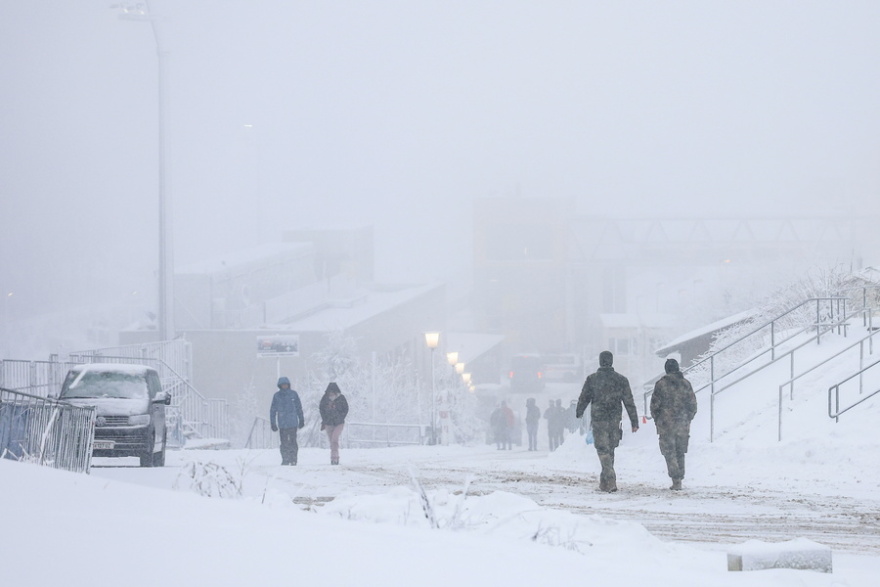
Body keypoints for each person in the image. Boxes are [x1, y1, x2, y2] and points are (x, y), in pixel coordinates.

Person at [575, 351, 639, 492]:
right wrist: (634, 421)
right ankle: (605, 482)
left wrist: (579, 411)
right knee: (610, 449)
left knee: (602, 450)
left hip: (599, 419)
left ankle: (610, 479)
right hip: (615, 419)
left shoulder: (592, 379)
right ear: (611, 361)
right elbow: (629, 402)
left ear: (600, 361)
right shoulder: (621, 380)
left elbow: (584, 397)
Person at [650, 358, 698, 491]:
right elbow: (693, 405)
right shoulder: (686, 384)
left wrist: (658, 419)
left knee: (669, 452)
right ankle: (679, 478)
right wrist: (687, 418)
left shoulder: (661, 385)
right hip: (682, 424)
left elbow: (654, 405)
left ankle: (675, 478)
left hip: (666, 425)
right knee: (680, 451)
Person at [269, 376, 305, 466]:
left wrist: (301, 419)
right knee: (284, 442)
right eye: (283, 385)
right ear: (280, 386)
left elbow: (299, 408)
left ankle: (293, 459)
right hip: (282, 424)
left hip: (292, 423)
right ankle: (285, 459)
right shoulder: (277, 396)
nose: (284, 386)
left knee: (293, 442)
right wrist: (273, 423)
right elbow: (273, 410)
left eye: (285, 385)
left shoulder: (294, 394)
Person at [319, 382, 349, 465]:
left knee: (334, 440)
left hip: (339, 423)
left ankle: (334, 458)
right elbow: (321, 409)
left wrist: (341, 417)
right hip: (328, 423)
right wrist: (325, 418)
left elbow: (346, 409)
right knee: (332, 442)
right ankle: (334, 458)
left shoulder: (341, 398)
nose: (331, 393)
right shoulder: (325, 399)